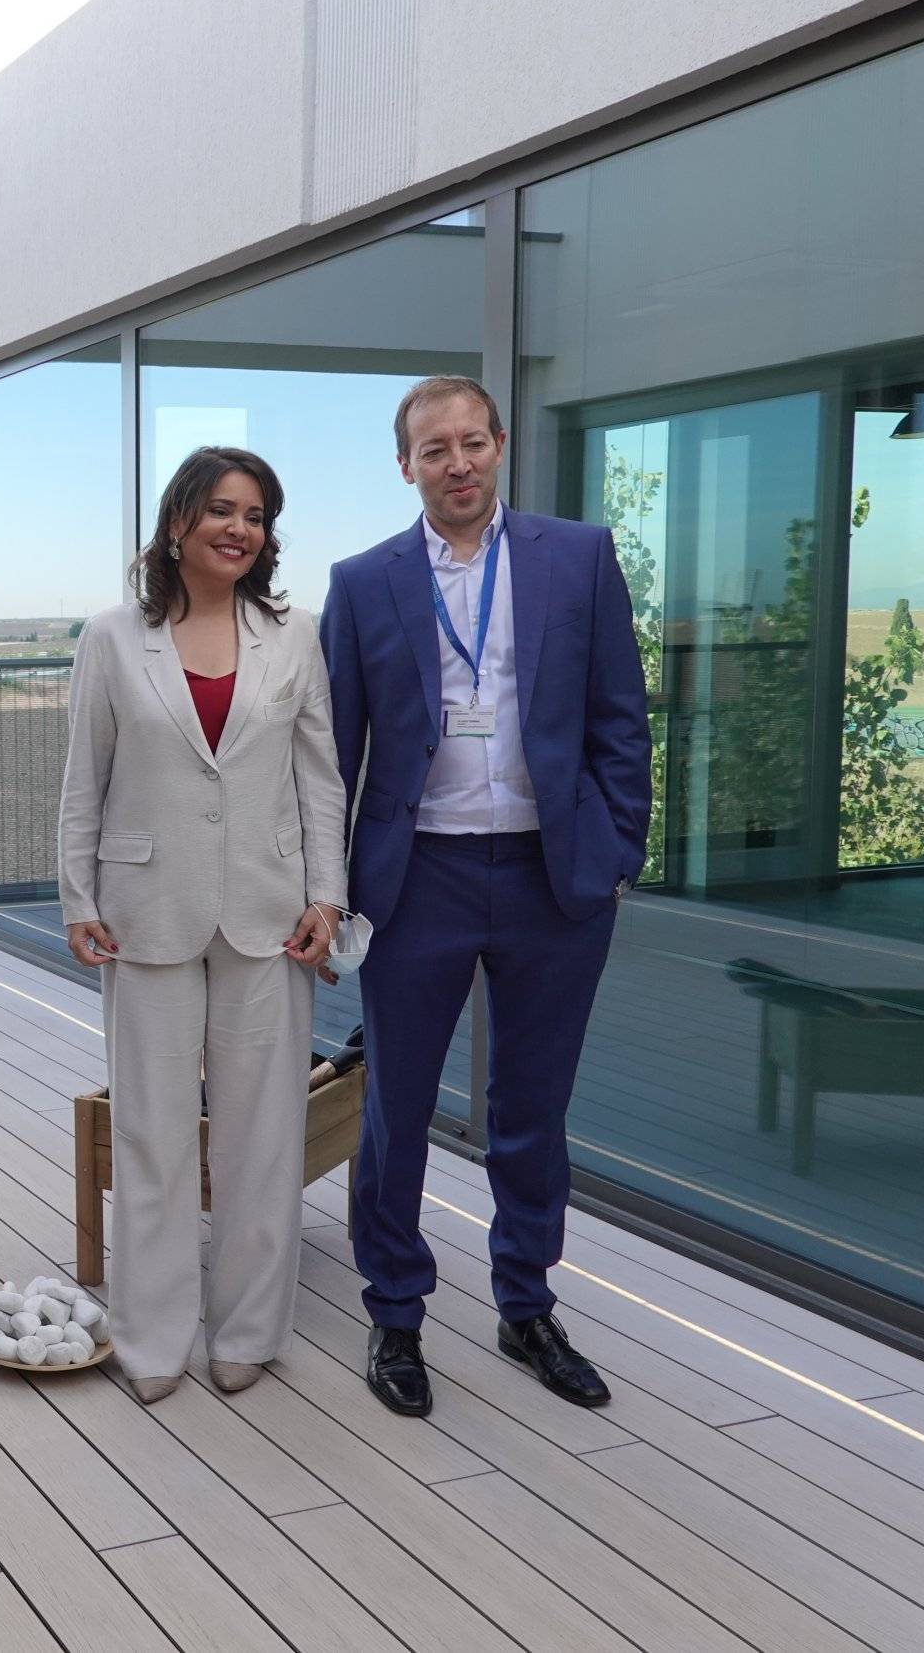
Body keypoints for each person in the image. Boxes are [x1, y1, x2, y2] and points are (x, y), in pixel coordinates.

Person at [320, 376, 651, 1418]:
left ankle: (525, 1306)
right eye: (433, 449)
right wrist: (329, 888)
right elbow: (333, 751)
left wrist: (614, 848)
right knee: (398, 1112)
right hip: (417, 878)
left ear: (500, 446)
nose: (455, 462)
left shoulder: (577, 559)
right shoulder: (364, 582)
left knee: (530, 1110)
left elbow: (619, 717)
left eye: (472, 442)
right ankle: (396, 1314)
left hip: (553, 880)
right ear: (405, 464)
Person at [58, 446, 349, 1404]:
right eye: (221, 509)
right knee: (149, 1133)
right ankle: (150, 1336)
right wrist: (78, 899)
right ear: (177, 521)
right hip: (145, 914)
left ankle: (250, 1329)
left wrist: (327, 896)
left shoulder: (293, 634)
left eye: (256, 514)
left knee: (263, 1136)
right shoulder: (111, 636)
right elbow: (83, 780)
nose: (239, 527)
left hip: (272, 917)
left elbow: (319, 778)